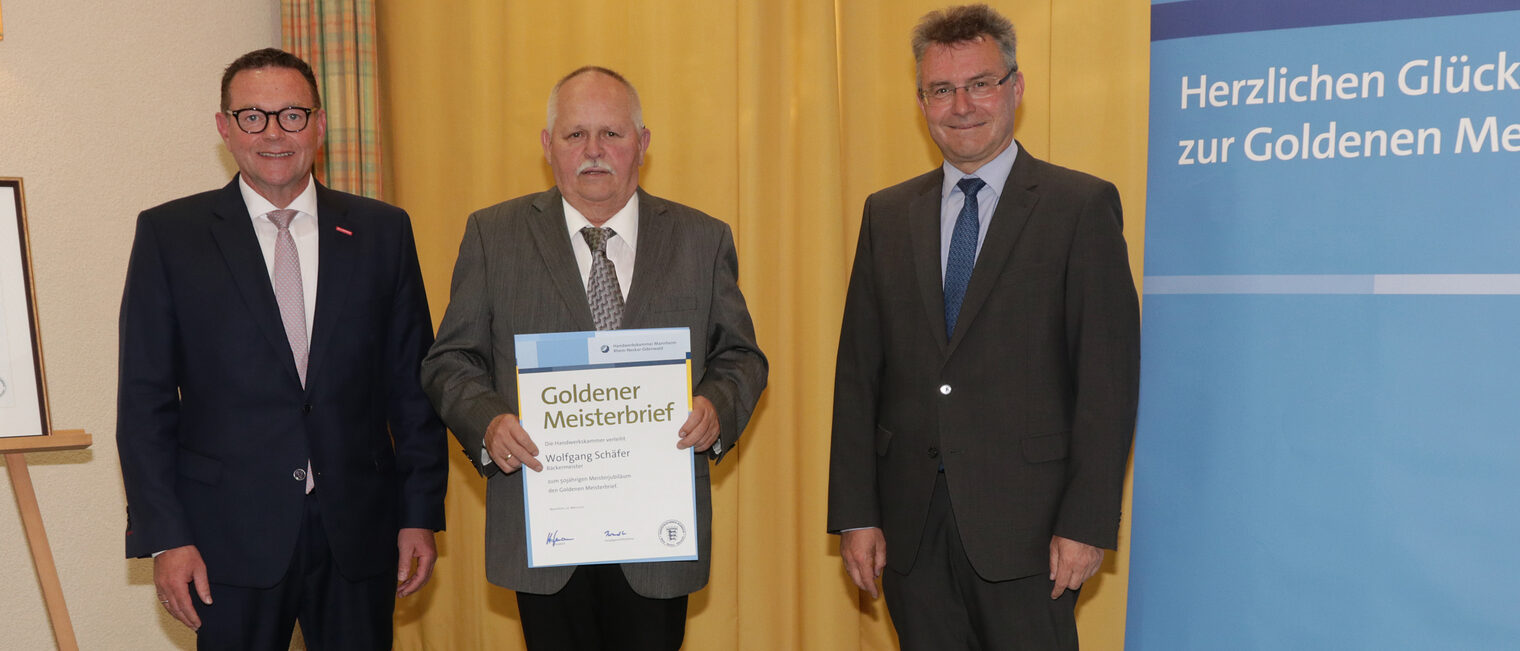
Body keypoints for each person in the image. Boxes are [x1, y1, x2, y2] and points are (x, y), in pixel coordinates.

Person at [420, 66, 767, 651]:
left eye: (612, 134)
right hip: (545, 529)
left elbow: (740, 356)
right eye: (575, 135)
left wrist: (716, 405)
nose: (594, 152)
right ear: (547, 145)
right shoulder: (493, 235)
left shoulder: (702, 239)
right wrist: (489, 422)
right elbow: (449, 360)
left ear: (643, 143)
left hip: (656, 536)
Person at [826, 4, 1140, 648]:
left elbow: (1107, 382)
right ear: (921, 101)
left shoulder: (1079, 207)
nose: (961, 105)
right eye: (941, 89)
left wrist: (1086, 523)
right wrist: (856, 514)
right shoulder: (886, 215)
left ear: (1016, 88)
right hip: (909, 530)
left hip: (1031, 533)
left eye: (980, 83)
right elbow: (858, 373)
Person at [117, 48, 447, 650]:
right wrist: (166, 537)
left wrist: (419, 512)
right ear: (224, 127)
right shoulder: (171, 236)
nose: (273, 133)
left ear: (320, 124)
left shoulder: (383, 231)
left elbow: (412, 387)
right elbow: (145, 402)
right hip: (225, 543)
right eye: (252, 116)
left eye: (292, 115)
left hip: (360, 533)